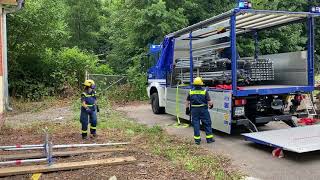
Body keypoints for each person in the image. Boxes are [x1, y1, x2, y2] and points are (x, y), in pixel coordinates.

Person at [186, 77, 214, 145]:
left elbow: (187, 101)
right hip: (203, 110)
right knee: (207, 123)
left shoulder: (191, 91)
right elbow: (209, 101)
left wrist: (187, 109)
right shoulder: (204, 91)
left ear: (194, 84)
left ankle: (197, 141)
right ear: (201, 84)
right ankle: (209, 139)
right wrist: (211, 105)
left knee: (196, 125)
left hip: (194, 110)